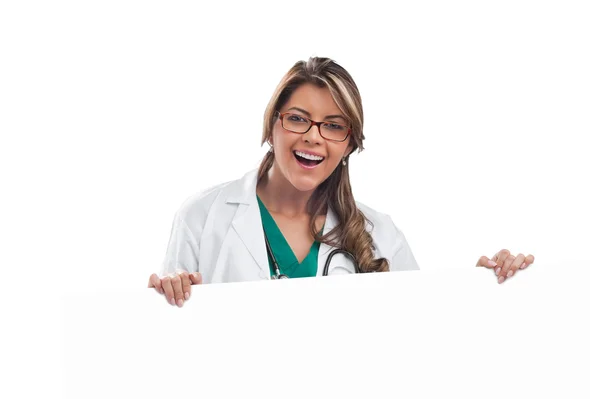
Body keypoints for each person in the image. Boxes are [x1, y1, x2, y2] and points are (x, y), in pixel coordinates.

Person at [147, 57, 535, 307]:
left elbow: (427, 329)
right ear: (272, 126)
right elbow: (170, 343)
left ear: (349, 143)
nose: (314, 137)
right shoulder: (202, 216)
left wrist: (489, 287)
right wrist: (170, 293)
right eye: (298, 118)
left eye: (333, 126)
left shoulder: (380, 234)